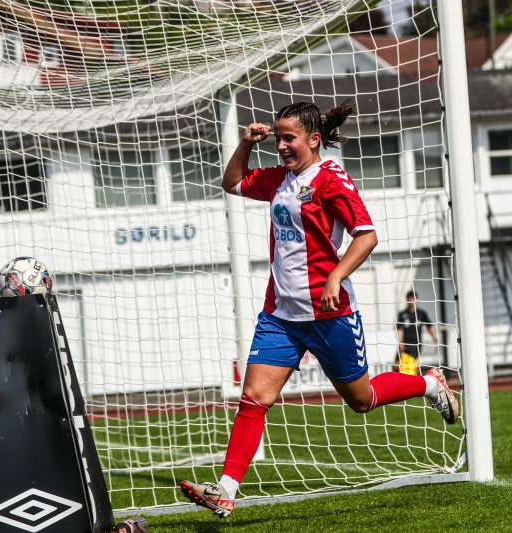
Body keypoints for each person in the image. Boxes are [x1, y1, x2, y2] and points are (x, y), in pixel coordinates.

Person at [179, 100, 460, 518]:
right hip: (280, 316)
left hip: (331, 316)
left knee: (361, 400)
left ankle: (430, 384)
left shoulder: (331, 180)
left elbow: (366, 236)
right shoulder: (279, 179)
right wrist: (245, 144)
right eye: (277, 138)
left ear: (313, 138)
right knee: (254, 398)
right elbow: (233, 182)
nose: (281, 146)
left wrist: (334, 277)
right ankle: (225, 490)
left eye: (288, 138)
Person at [396, 290, 439, 375]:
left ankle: (410, 384)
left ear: (416, 299)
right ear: (407, 299)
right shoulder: (402, 314)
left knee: (410, 365)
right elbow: (399, 329)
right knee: (396, 365)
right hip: (404, 343)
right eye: (410, 298)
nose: (411, 300)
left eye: (413, 298)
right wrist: (400, 342)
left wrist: (435, 338)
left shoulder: (421, 313)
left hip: (416, 344)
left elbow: (429, 326)